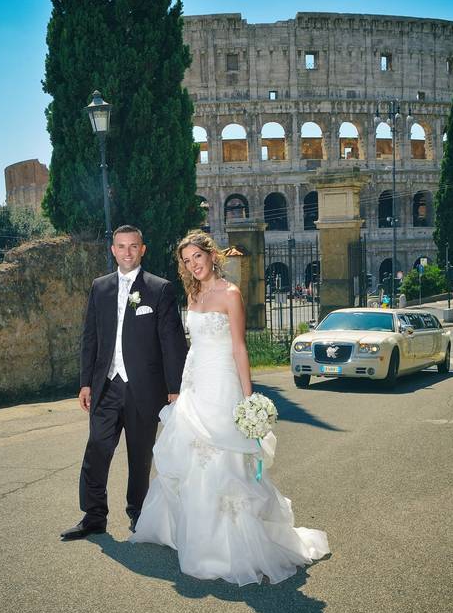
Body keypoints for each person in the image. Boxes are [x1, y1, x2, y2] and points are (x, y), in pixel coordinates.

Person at [130, 231, 329, 585]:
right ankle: (191, 534)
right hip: (196, 385)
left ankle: (227, 546)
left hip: (223, 383)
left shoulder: (230, 294)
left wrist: (248, 397)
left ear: (211, 255)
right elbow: (193, 348)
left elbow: (238, 348)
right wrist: (180, 389)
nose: (194, 265)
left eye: (198, 257)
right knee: (189, 458)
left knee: (225, 463)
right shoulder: (193, 294)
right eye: (187, 261)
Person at [61, 225, 188, 541]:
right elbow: (90, 337)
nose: (127, 252)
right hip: (105, 386)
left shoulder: (160, 289)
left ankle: (138, 515)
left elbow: (172, 343)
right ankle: (93, 516)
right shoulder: (99, 287)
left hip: (144, 389)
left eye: (133, 246)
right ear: (113, 250)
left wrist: (175, 389)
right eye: (121, 246)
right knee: (97, 450)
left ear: (142, 249)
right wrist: (86, 383)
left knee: (139, 455)